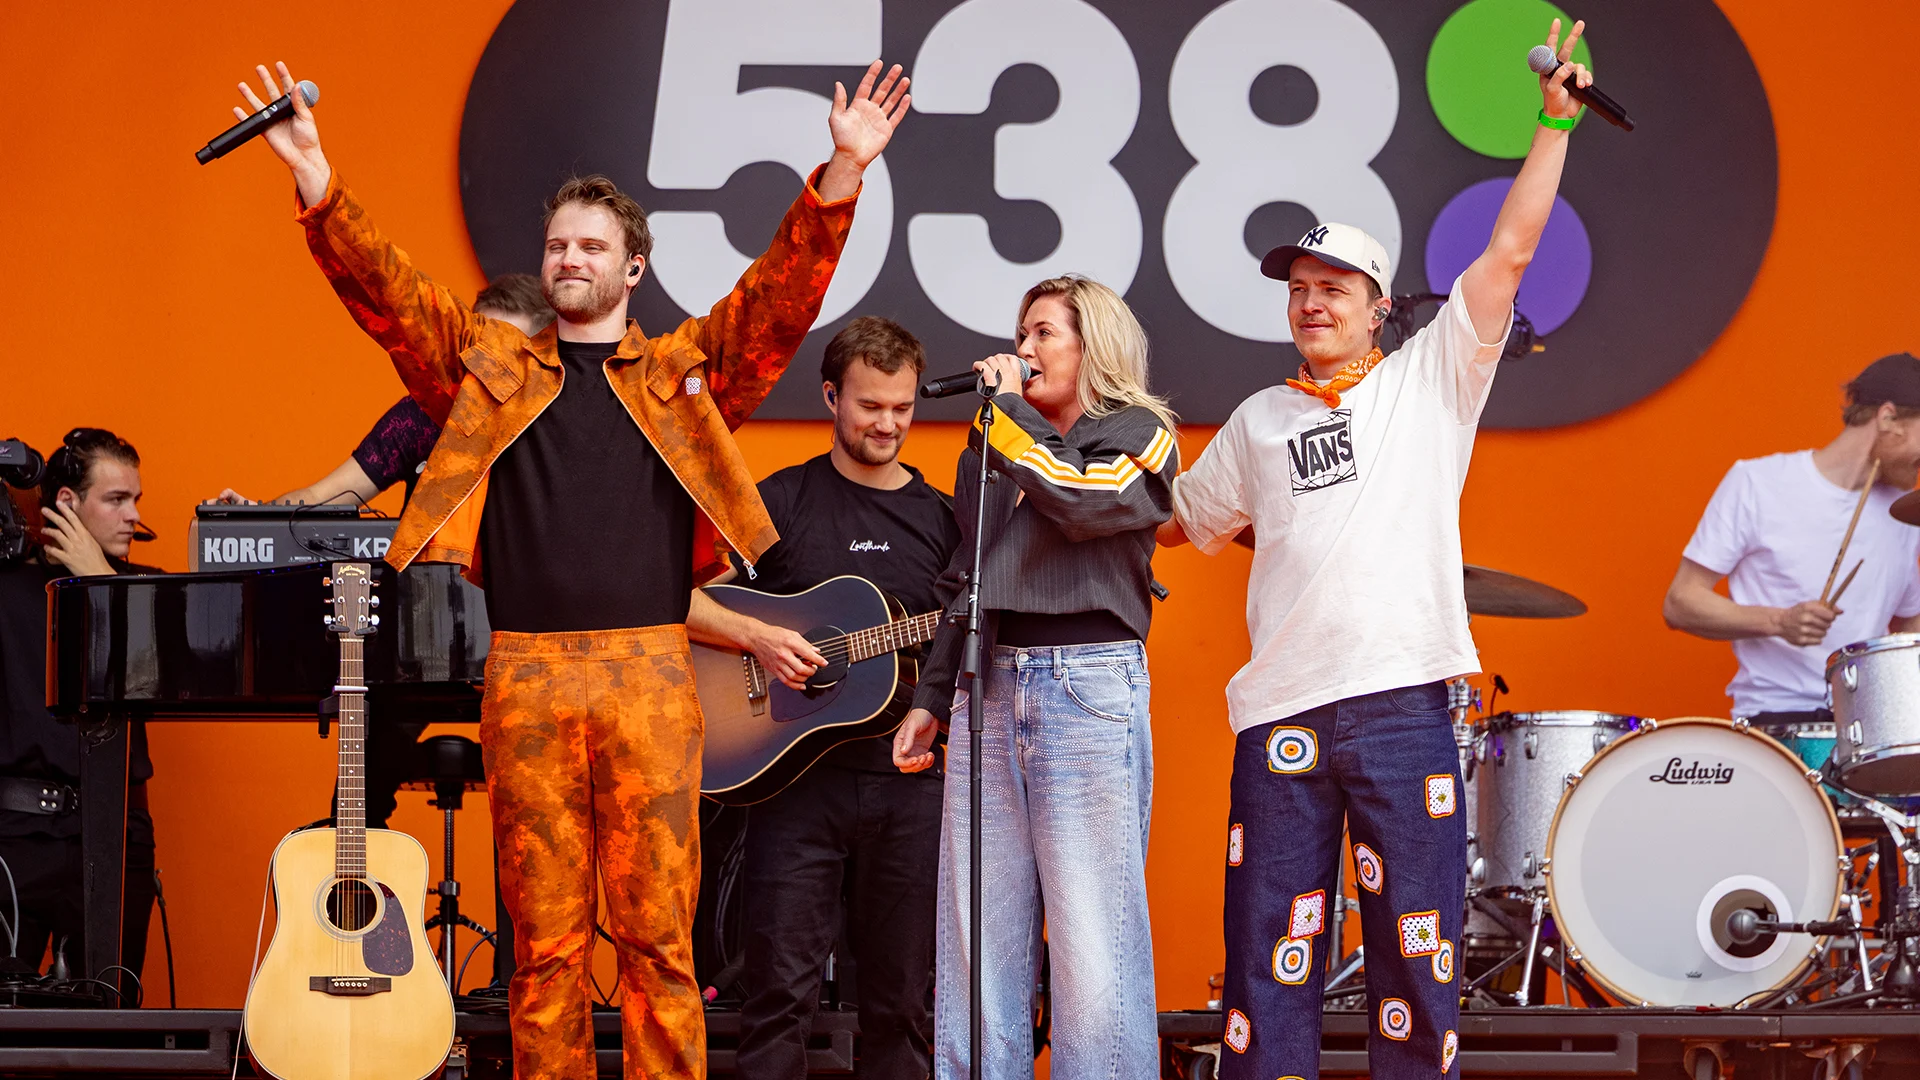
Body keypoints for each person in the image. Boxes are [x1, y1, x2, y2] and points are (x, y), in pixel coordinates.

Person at [227, 55, 908, 1078]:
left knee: (658, 952)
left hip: (649, 677)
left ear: (633, 268)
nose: (569, 258)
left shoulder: (682, 376)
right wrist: (318, 182)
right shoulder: (490, 375)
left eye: (592, 245)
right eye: (556, 245)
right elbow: (394, 298)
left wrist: (842, 175)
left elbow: (775, 303)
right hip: (530, 679)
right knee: (543, 956)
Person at [1157, 20, 1591, 1078]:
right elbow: (1170, 521)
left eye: (1333, 288)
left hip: (1403, 701)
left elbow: (1512, 251)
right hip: (1281, 715)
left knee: (1417, 956)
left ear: (1379, 308)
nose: (1310, 301)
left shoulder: (1433, 377)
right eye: (1298, 286)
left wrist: (1551, 126)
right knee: (1267, 962)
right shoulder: (1258, 418)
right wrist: (1074, 457)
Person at [893, 275, 1179, 1079]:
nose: (1021, 351)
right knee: (977, 936)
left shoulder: (1140, 431)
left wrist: (1007, 413)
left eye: (1042, 335)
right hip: (986, 687)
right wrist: (931, 695)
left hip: (1085, 689)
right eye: (1020, 335)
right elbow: (968, 573)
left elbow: (1085, 500)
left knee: (1092, 936)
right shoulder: (1001, 444)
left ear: (1095, 346)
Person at [686, 316, 957, 1078]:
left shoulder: (940, 519)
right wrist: (758, 639)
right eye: (871, 406)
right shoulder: (780, 501)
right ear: (833, 396)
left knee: (902, 1007)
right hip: (793, 789)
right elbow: (676, 600)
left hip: (910, 789)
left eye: (902, 408)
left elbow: (965, 644)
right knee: (778, 1000)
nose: (889, 424)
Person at [1663, 354, 1920, 735]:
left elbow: (1911, 616)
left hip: (1868, 725)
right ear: (1887, 419)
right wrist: (1779, 621)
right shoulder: (1758, 483)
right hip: (1775, 722)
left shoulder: (1903, 511)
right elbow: (1680, 601)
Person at [0, 429, 159, 985]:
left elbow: (159, 680)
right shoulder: (7, 587)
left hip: (117, 840)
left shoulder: (147, 589)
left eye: (136, 500)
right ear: (67, 502)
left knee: (110, 1019)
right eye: (117, 500)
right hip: (17, 840)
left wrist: (97, 580)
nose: (133, 515)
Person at [215, 274, 554, 512]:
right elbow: (324, 497)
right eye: (478, 345)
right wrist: (256, 520)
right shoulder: (425, 416)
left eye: (505, 348)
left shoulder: (562, 426)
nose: (488, 362)